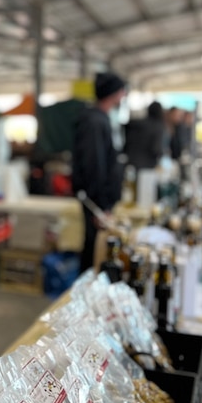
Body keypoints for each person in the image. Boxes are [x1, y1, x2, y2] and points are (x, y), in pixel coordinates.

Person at [72, 72, 127, 274]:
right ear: (112, 93)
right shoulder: (94, 122)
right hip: (95, 202)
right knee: (94, 251)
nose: (123, 96)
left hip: (99, 200)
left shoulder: (101, 119)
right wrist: (99, 205)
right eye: (121, 91)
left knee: (97, 249)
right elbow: (93, 165)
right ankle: (85, 298)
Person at [124, 101, 166, 170]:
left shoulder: (137, 123)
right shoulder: (157, 126)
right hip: (147, 164)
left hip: (131, 161)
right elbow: (156, 148)